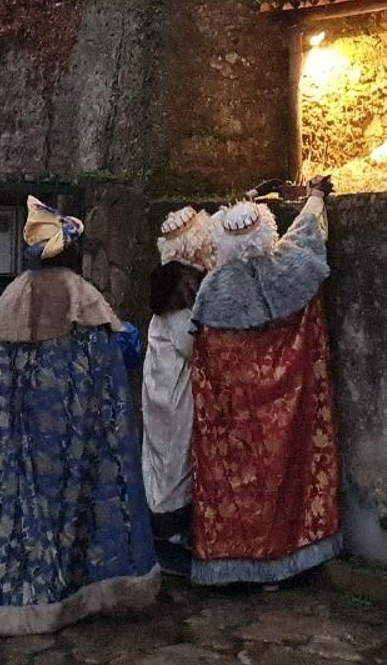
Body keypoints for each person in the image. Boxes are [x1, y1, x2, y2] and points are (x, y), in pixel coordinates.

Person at [0, 197, 158, 636]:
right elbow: (116, 358)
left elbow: (4, 380)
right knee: (80, 503)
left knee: (27, 506)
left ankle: (17, 596)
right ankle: (82, 589)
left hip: (23, 433)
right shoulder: (83, 297)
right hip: (78, 432)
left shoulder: (14, 296)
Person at [188, 175, 341, 587]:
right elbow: (306, 232)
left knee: (240, 484)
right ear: (266, 230)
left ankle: (234, 563)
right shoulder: (290, 269)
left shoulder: (212, 291)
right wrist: (315, 196)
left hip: (237, 426)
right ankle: (290, 556)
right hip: (285, 421)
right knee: (284, 474)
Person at [141, 206, 215, 576]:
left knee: (163, 457)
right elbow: (190, 345)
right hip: (174, 386)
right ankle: (169, 538)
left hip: (161, 381)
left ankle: (165, 530)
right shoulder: (182, 288)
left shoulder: (169, 279)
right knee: (174, 458)